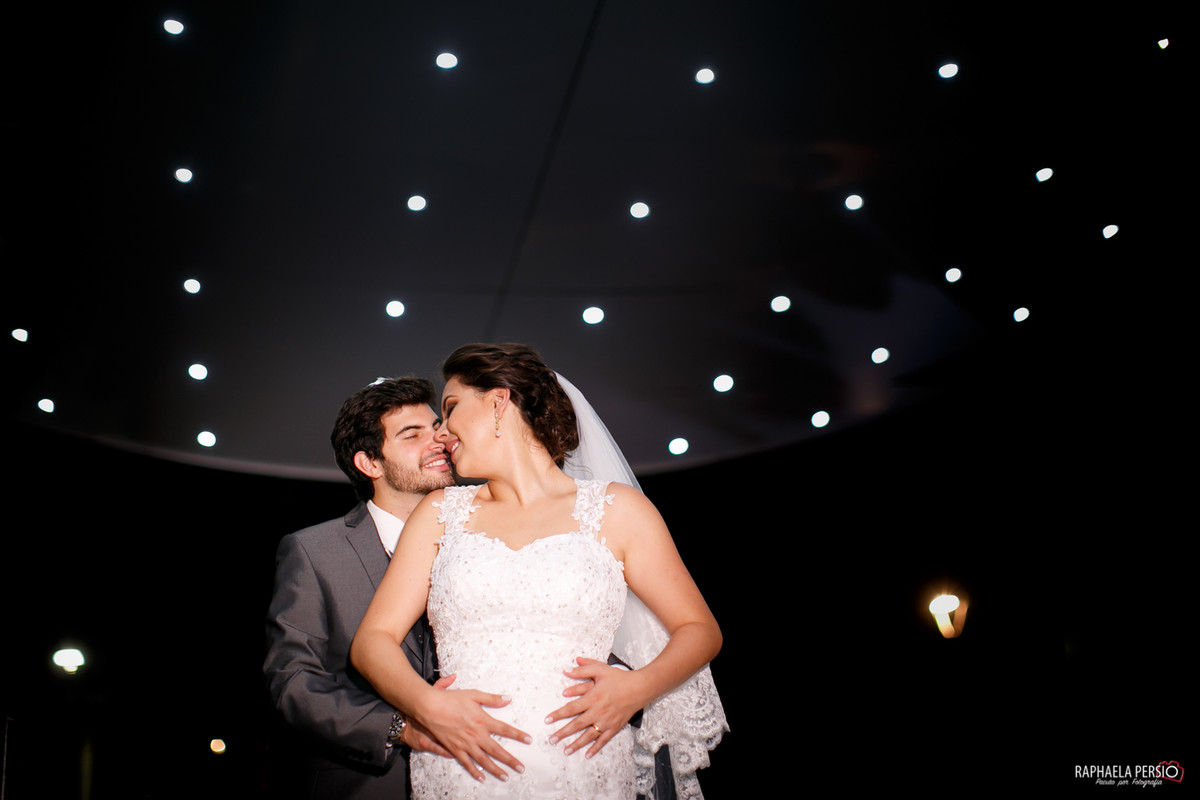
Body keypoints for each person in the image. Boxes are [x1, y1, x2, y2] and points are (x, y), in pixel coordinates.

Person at [351, 344, 726, 799]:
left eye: (449, 410)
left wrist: (636, 688)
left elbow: (700, 628)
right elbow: (373, 641)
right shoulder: (438, 513)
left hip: (586, 759)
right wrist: (427, 705)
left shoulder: (618, 511)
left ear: (497, 401)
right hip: (461, 761)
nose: (442, 432)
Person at [264, 377, 456, 799]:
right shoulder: (313, 551)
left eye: (436, 425)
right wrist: (400, 727)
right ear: (371, 463)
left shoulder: (482, 536)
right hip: (365, 784)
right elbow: (294, 679)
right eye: (413, 434)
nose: (439, 439)